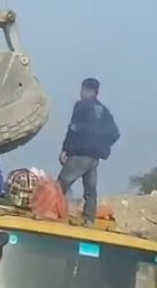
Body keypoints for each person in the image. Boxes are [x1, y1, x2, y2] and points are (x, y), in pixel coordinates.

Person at [58, 78, 120, 226]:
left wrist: (65, 149)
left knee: (61, 184)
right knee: (90, 191)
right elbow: (115, 133)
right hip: (94, 157)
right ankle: (89, 220)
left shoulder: (81, 105)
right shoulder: (104, 111)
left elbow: (73, 128)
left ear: (85, 89)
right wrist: (101, 145)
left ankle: (51, 212)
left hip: (80, 153)